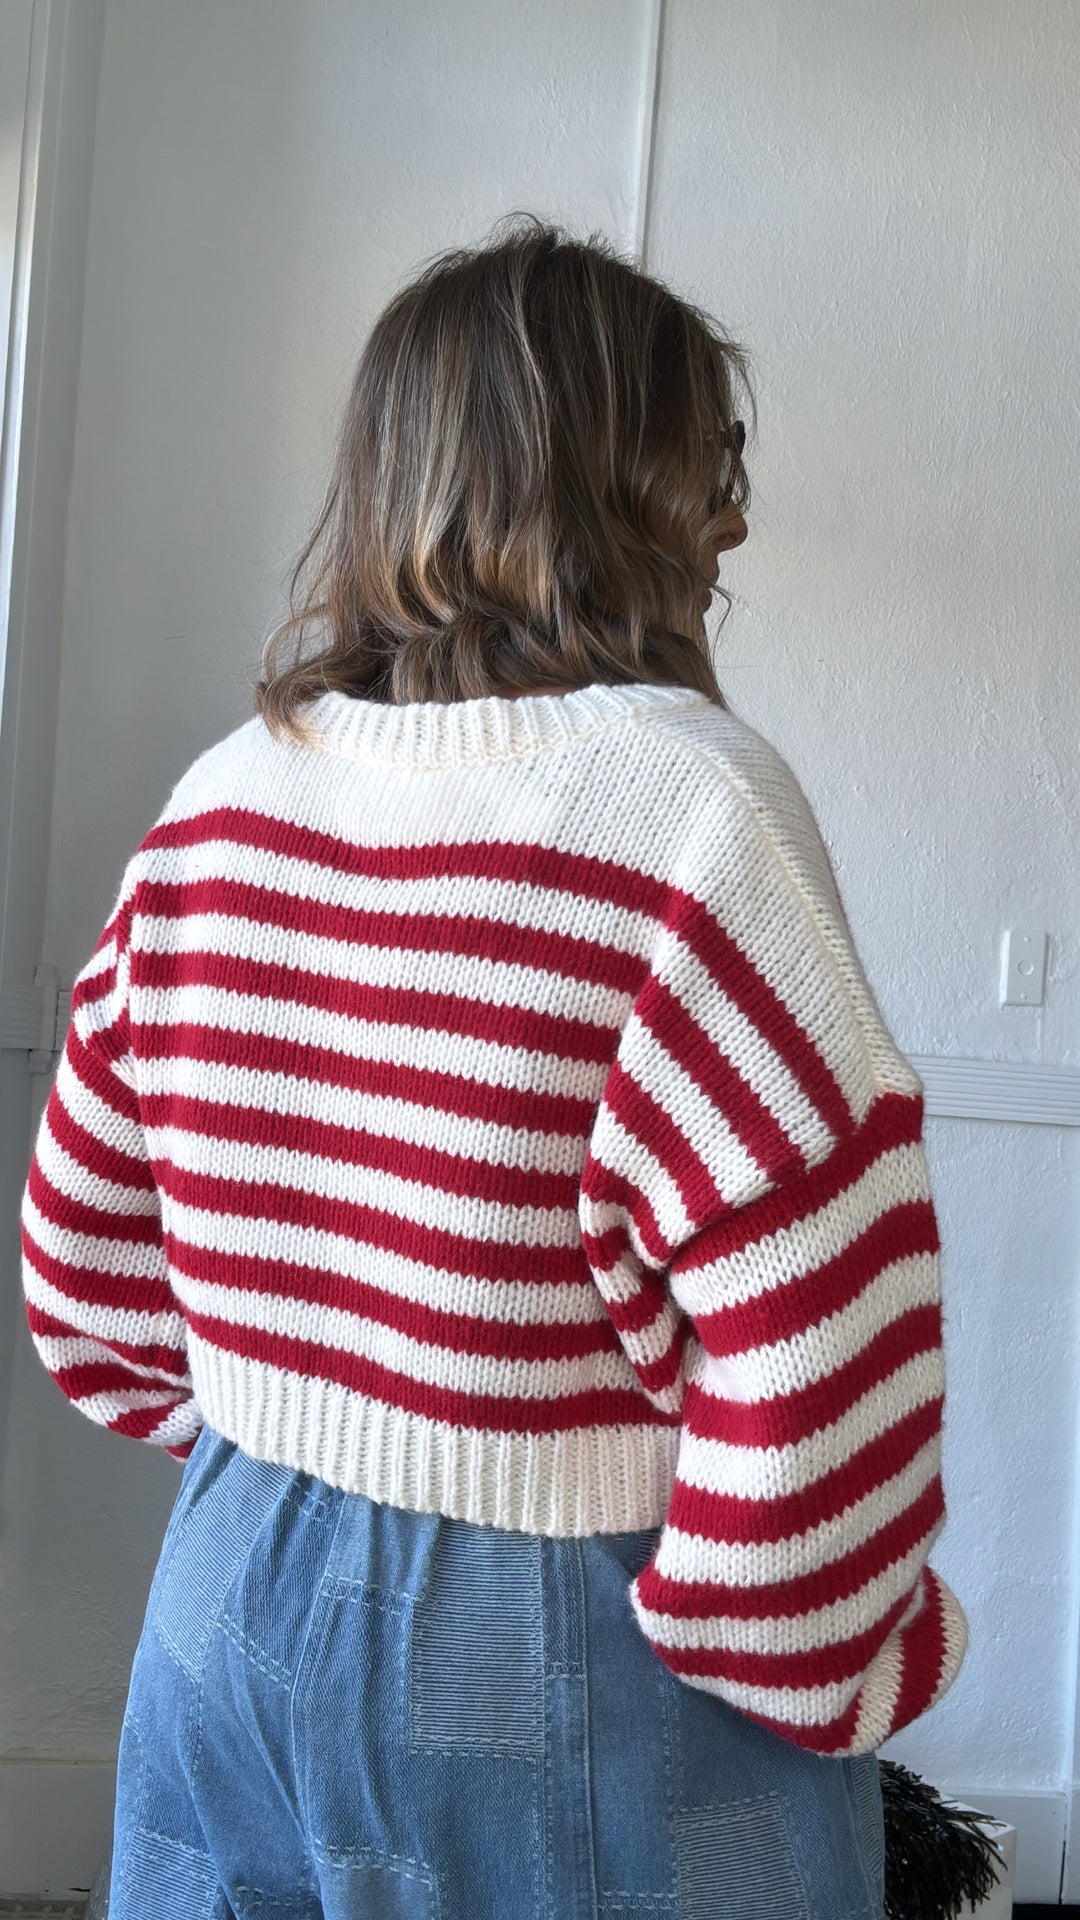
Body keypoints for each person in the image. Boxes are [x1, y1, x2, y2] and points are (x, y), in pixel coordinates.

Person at [20, 214, 967, 1920]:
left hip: (225, 1590)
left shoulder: (221, 801)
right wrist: (835, 1662)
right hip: (556, 1634)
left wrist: (293, 1450)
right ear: (634, 490)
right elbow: (821, 1309)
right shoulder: (689, 809)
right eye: (710, 467)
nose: (732, 518)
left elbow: (86, 1270)